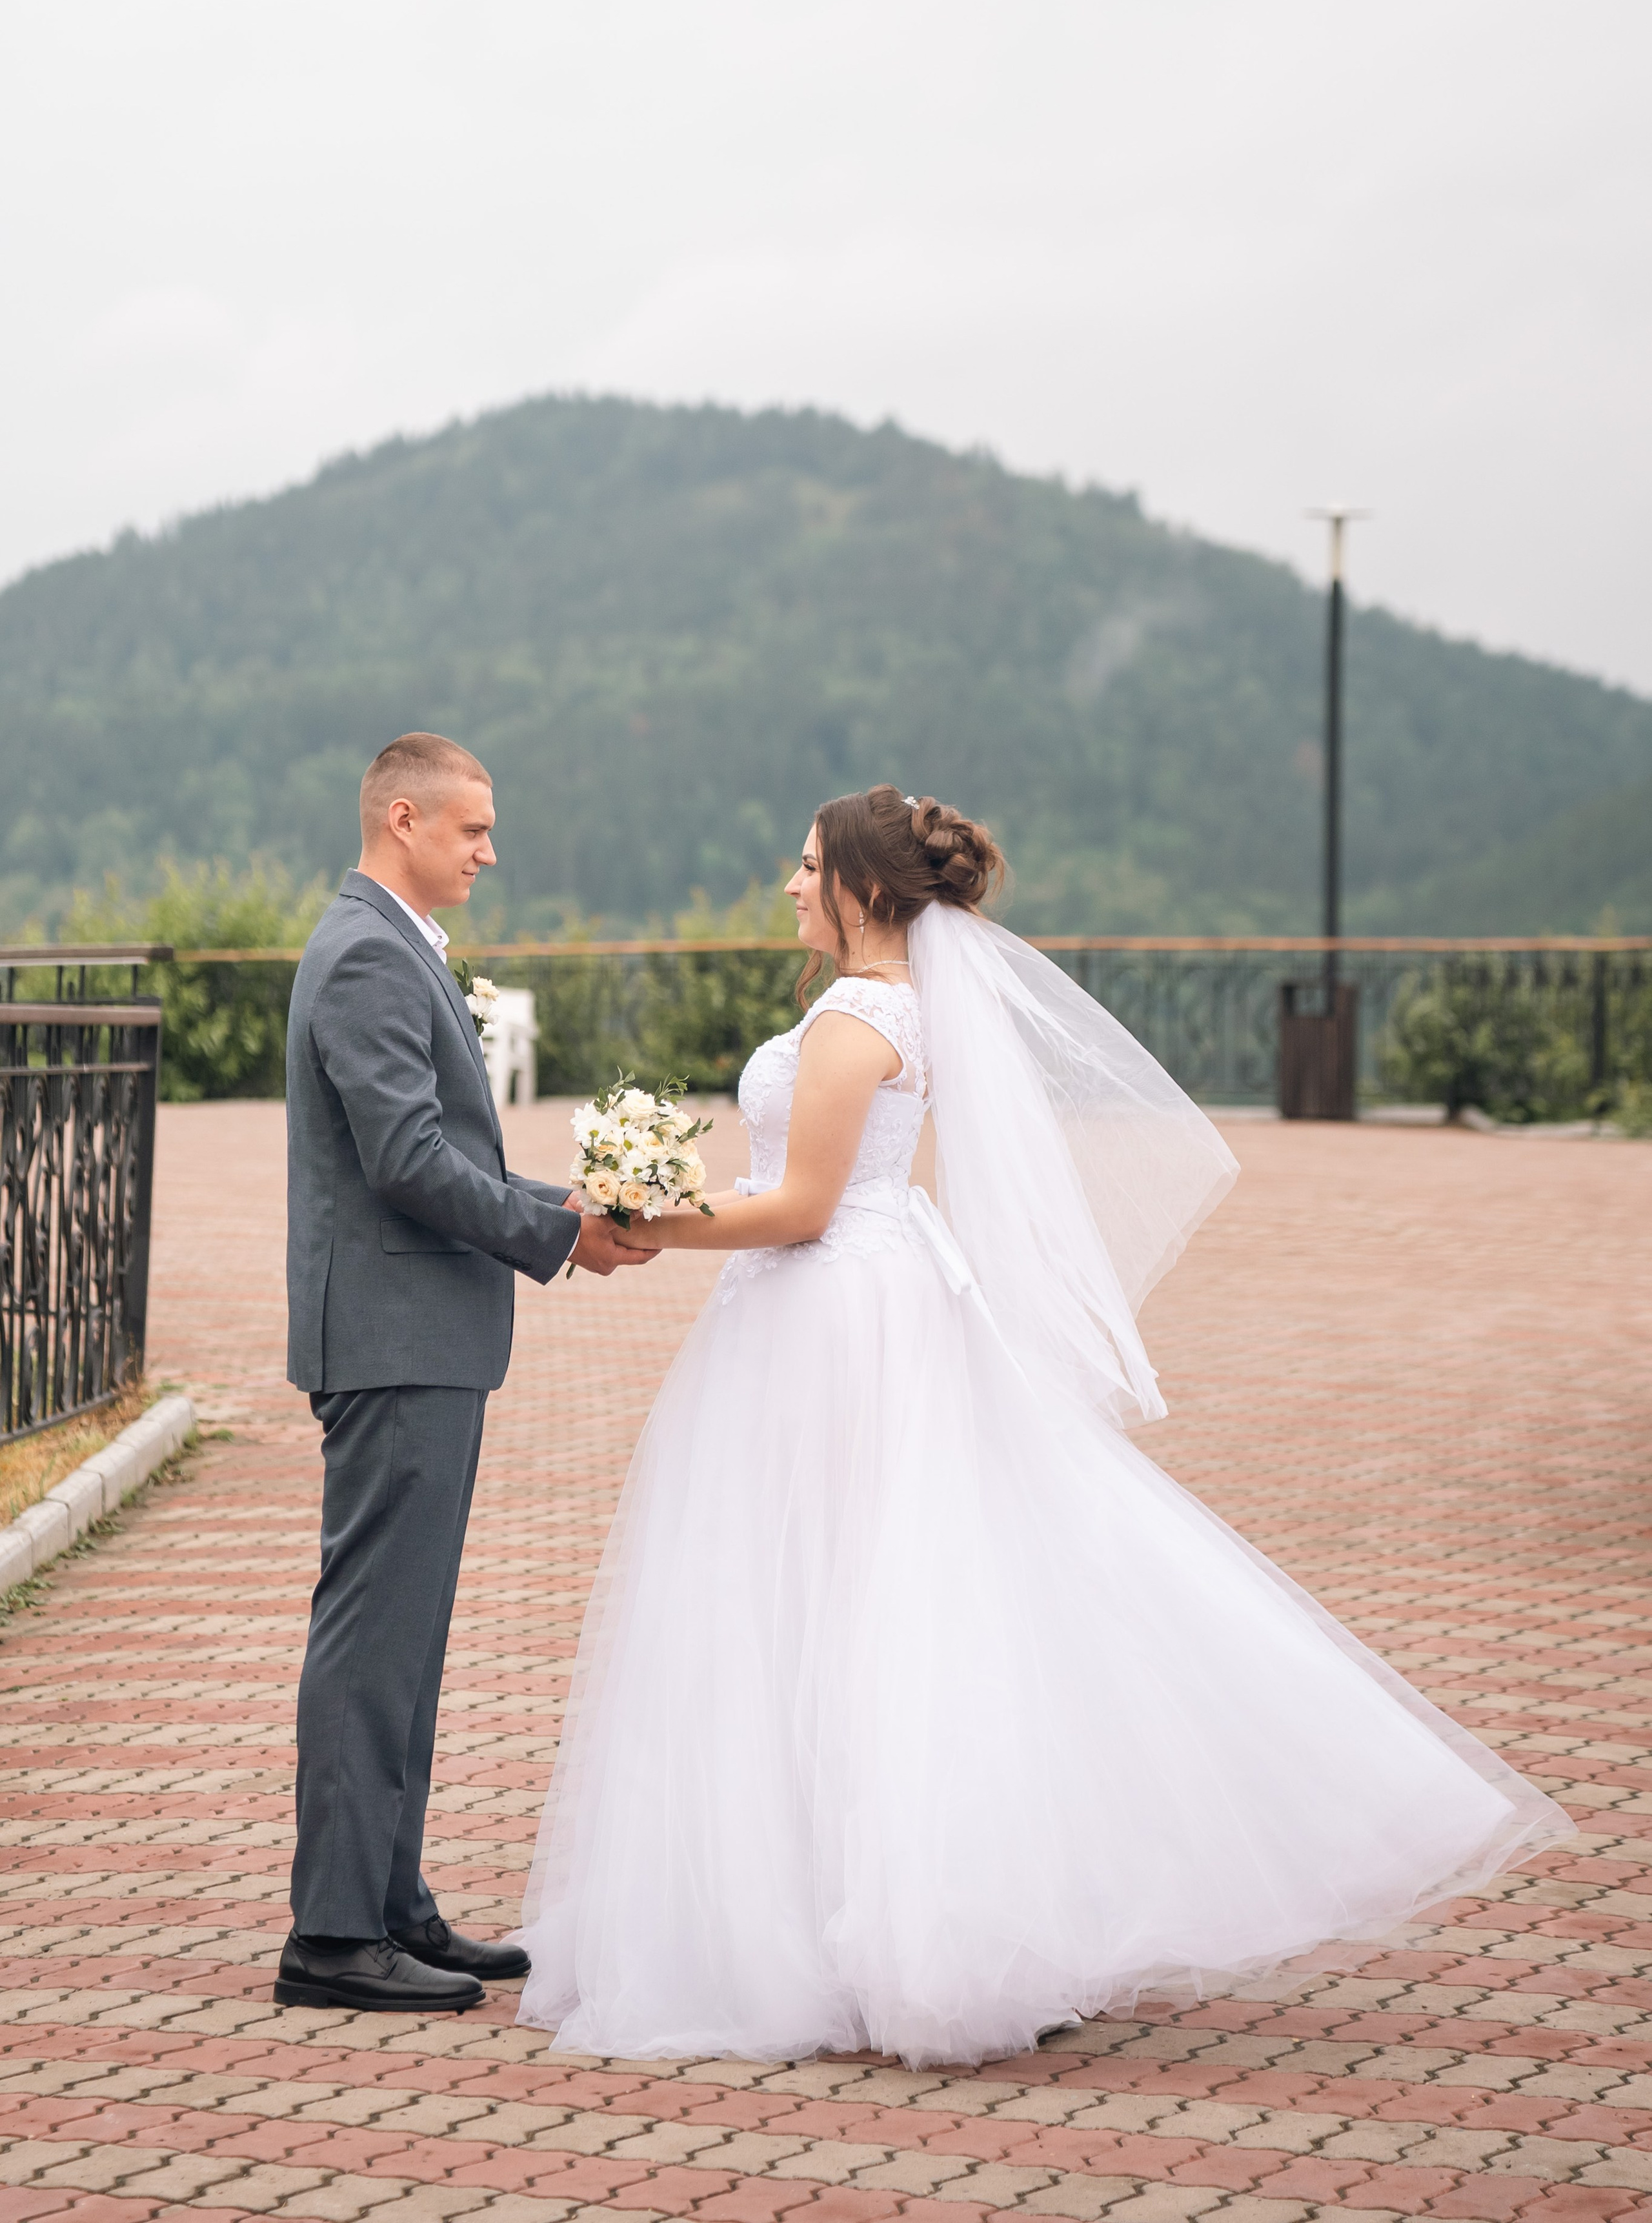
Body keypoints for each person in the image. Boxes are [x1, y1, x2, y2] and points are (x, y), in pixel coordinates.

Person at [512, 782, 1570, 2068]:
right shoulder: (877, 1010)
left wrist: (645, 1219)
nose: (787, 885)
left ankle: (874, 1923)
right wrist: (666, 1198)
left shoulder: (858, 1021)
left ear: (862, 885)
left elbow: (800, 1206)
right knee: (856, 1598)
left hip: (833, 1310)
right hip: (843, 1298)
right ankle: (862, 1909)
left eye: (804, 866)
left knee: (835, 1600)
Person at [277, 732, 654, 2015]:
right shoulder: (370, 953)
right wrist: (559, 1232)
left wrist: (570, 1200)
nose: (490, 851)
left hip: (416, 1338)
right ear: (403, 818)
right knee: (373, 1636)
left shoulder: (388, 944)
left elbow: (430, 1150)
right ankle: (332, 1937)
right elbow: (404, 1158)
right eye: (473, 829)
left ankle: (390, 1902)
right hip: (392, 1340)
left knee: (407, 1638)